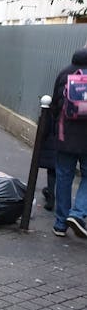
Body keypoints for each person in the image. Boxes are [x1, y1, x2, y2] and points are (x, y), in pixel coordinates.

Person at [49, 41, 87, 237]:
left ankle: (60, 224)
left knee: (64, 177)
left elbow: (55, 105)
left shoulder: (65, 73)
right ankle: (78, 212)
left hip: (66, 136)